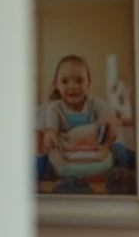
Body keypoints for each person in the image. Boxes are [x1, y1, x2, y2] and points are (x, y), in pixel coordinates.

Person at [35, 54, 133, 183]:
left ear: (88, 83)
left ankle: (130, 172)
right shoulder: (55, 108)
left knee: (119, 150)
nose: (73, 87)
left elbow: (106, 113)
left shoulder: (95, 103)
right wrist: (49, 136)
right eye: (65, 81)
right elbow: (51, 129)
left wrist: (110, 122)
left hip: (95, 150)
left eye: (79, 81)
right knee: (41, 158)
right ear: (56, 84)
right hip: (66, 155)